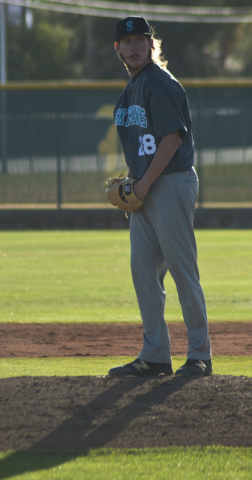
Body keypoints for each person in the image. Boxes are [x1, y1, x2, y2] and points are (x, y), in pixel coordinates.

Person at [108, 16, 212, 378]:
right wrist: (135, 183)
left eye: (141, 40)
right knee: (143, 272)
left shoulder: (159, 83)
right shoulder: (129, 90)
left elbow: (172, 139)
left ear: (151, 45)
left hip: (168, 181)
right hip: (146, 186)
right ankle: (155, 354)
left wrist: (142, 185)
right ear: (117, 48)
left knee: (183, 270)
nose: (134, 47)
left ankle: (200, 354)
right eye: (128, 41)